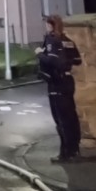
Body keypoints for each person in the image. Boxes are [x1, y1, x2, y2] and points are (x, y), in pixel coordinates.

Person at [36, 14, 83, 162]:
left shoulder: (52, 40)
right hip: (68, 81)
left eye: (47, 24)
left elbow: (55, 61)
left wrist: (40, 54)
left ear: (50, 25)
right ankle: (74, 149)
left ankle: (66, 153)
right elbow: (77, 60)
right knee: (71, 117)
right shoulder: (67, 41)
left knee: (61, 120)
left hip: (57, 83)